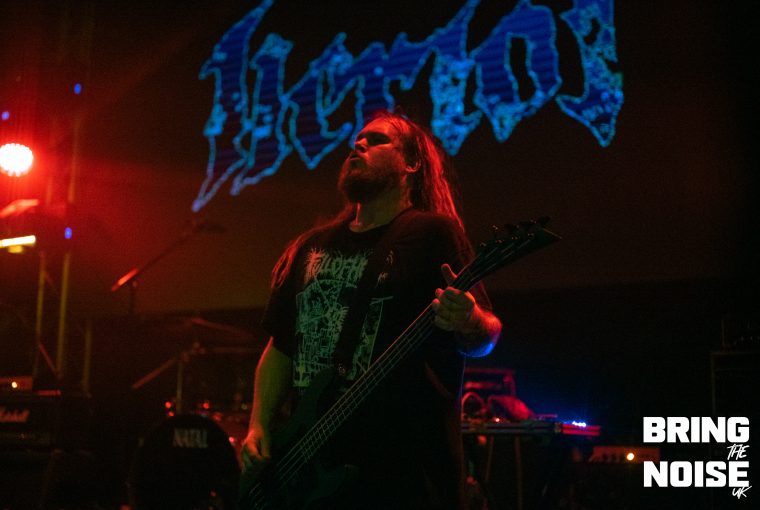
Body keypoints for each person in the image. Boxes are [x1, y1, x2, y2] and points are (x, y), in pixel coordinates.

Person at [242, 110, 502, 509]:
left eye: (377, 140)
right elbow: (281, 348)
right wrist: (258, 424)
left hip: (400, 471)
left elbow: (486, 335)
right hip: (310, 467)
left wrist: (468, 319)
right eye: (357, 140)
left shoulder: (433, 234)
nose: (358, 144)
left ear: (412, 163)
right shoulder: (311, 246)